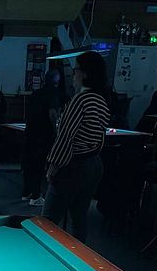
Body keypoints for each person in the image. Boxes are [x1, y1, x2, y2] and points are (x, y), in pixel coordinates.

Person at [42, 51, 110, 243]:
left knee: (47, 222)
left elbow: (65, 137)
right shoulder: (101, 100)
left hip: (73, 165)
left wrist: (53, 166)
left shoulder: (80, 100)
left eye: (75, 70)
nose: (73, 75)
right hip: (93, 164)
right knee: (79, 219)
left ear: (85, 73)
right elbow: (100, 138)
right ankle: (77, 257)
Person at [22, 69, 61, 206]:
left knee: (29, 163)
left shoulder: (36, 93)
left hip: (30, 132)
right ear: (57, 81)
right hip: (43, 134)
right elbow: (52, 114)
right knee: (39, 165)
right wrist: (57, 131)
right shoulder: (53, 93)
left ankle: (26, 193)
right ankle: (36, 196)